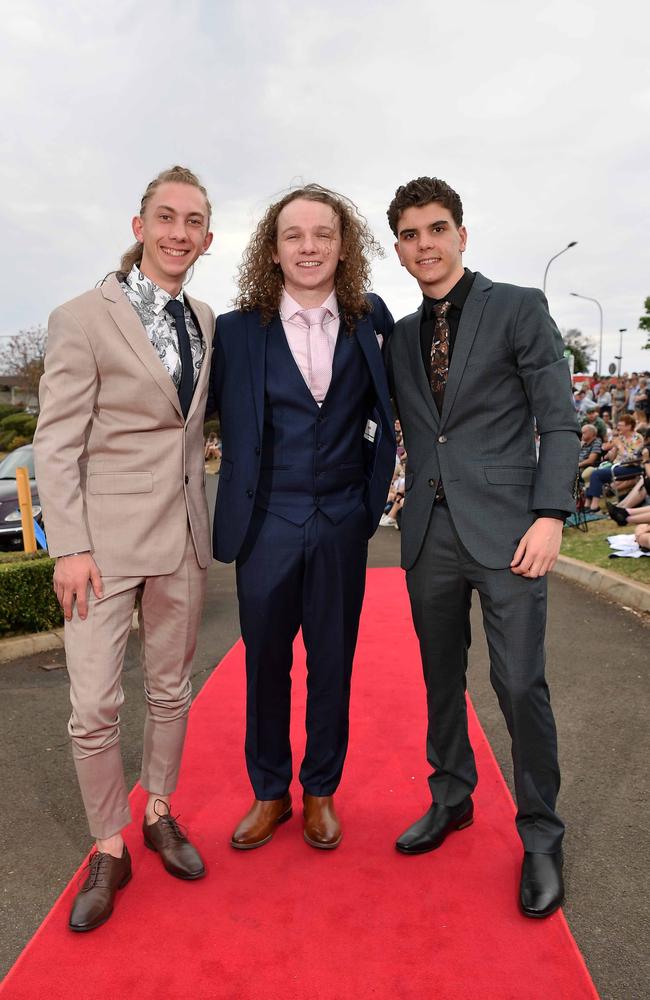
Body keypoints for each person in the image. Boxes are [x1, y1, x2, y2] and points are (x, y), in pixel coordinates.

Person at [385, 176, 579, 918]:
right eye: (409, 234)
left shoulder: (519, 307)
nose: (424, 244)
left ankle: (540, 834)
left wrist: (550, 513)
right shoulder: (401, 334)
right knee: (441, 681)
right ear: (398, 249)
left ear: (462, 235)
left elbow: (557, 419)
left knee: (520, 684)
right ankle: (451, 796)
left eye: (436, 229)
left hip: (509, 534)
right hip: (429, 534)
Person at [33, 166, 215, 932]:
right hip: (101, 547)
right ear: (139, 226)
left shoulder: (206, 316)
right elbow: (57, 438)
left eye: (195, 221)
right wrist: (67, 544)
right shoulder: (81, 316)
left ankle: (160, 810)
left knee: (171, 689)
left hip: (184, 538)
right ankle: (110, 844)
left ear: (207, 237)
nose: (180, 231)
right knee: (94, 707)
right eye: (166, 217)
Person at [207, 184, 395, 851]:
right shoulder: (233, 331)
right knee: (264, 664)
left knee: (333, 663)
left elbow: (388, 412)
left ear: (344, 246)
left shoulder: (371, 318)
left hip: (343, 516)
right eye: (295, 235)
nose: (310, 246)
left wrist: (370, 500)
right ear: (273, 247)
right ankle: (270, 793)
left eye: (323, 234)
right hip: (265, 520)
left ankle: (320, 792)